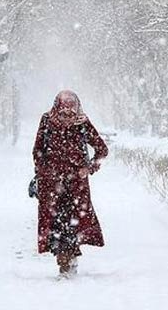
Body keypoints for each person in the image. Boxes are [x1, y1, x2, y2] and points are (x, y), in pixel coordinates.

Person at [32, 90, 109, 278]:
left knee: (73, 224)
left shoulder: (82, 124)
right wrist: (44, 171)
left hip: (76, 187)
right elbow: (37, 151)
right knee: (56, 224)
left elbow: (102, 150)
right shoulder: (47, 121)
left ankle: (68, 261)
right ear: (56, 108)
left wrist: (89, 168)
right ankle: (64, 260)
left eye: (70, 113)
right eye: (63, 113)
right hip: (51, 186)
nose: (67, 118)